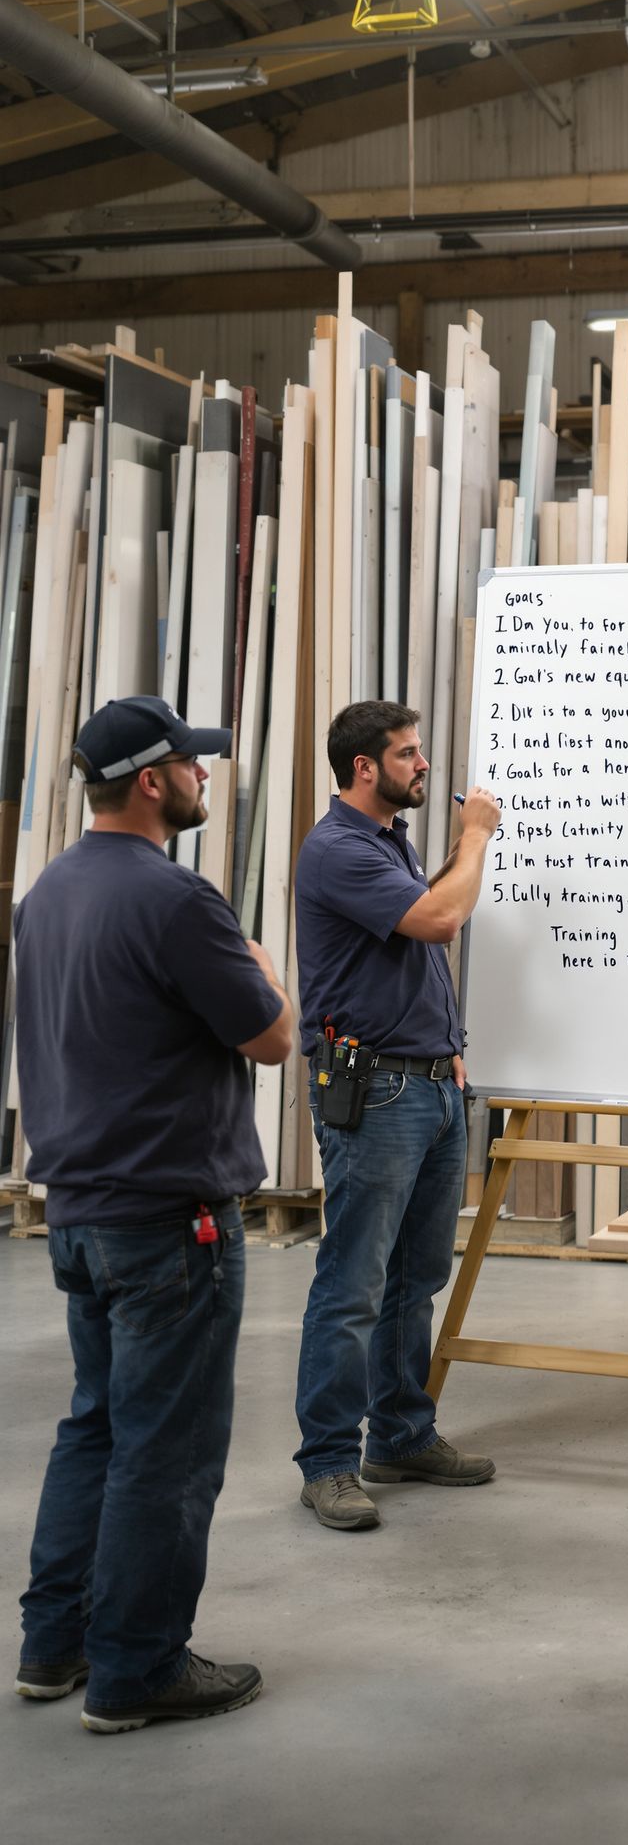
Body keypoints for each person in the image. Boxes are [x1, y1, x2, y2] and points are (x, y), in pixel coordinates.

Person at [13, 695, 294, 1734]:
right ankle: (138, 1668)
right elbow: (269, 1037)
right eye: (191, 765)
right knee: (165, 1447)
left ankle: (55, 1646)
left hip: (82, 1209)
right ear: (150, 782)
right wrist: (265, 967)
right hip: (172, 1218)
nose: (205, 778)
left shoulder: (47, 893)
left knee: (95, 1425)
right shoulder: (178, 901)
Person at [293, 700, 501, 1530]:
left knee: (416, 1279)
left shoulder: (387, 840)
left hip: (427, 1083)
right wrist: (479, 834)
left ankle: (402, 1435)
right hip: (376, 1092)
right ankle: (329, 1464)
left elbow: (418, 930)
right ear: (365, 769)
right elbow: (441, 919)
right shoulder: (338, 848)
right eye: (409, 755)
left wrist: (442, 1043)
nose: (424, 765)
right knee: (353, 1285)